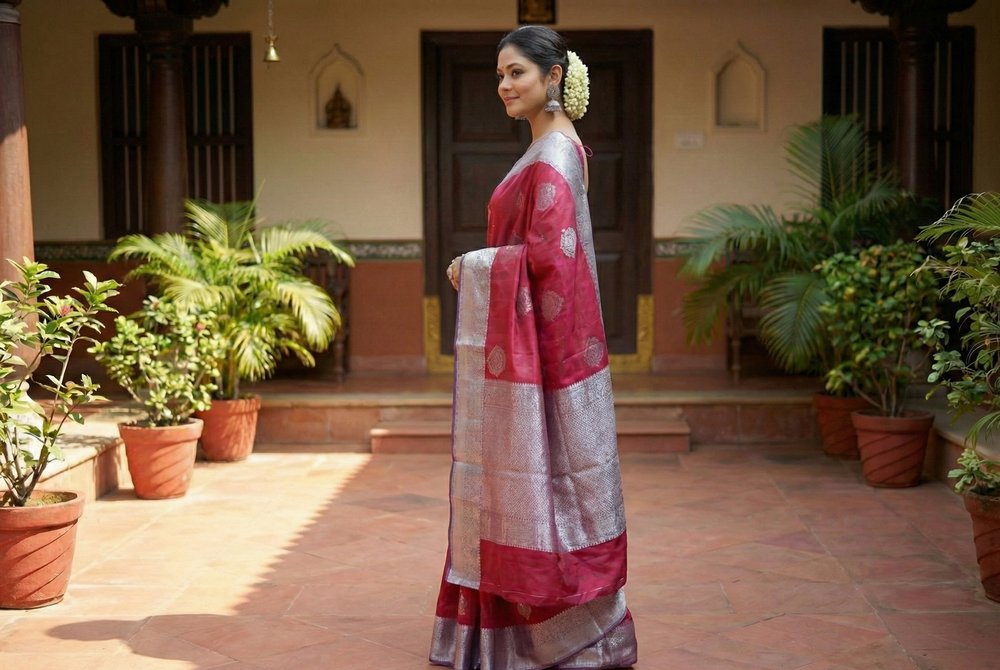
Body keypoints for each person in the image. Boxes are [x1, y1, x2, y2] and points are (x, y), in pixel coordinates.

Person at [429, 26, 637, 670]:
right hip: (537, 353)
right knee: (531, 491)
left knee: (540, 493)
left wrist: (479, 264)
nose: (503, 86)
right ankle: (518, 633)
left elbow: (552, 260)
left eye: (516, 72)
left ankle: (556, 638)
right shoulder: (552, 147)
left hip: (545, 355)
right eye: (499, 75)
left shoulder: (554, 153)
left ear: (554, 77)